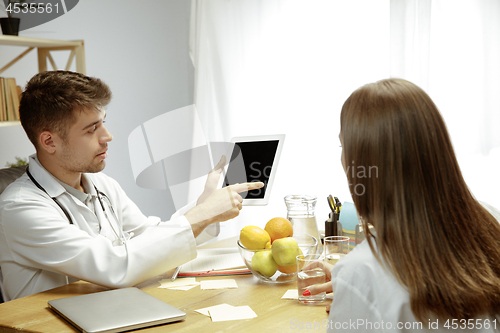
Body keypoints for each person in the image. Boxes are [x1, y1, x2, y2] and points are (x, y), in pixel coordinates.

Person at [0, 71, 263, 301]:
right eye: (92, 129)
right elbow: (116, 266)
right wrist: (201, 215)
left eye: (103, 121)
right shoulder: (21, 207)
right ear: (49, 142)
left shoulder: (102, 184)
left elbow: (148, 239)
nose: (108, 136)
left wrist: (204, 206)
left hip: (109, 312)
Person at [306, 78, 500, 332]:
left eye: (344, 145)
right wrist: (358, 291)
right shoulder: (489, 219)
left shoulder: (363, 271)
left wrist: (358, 291)